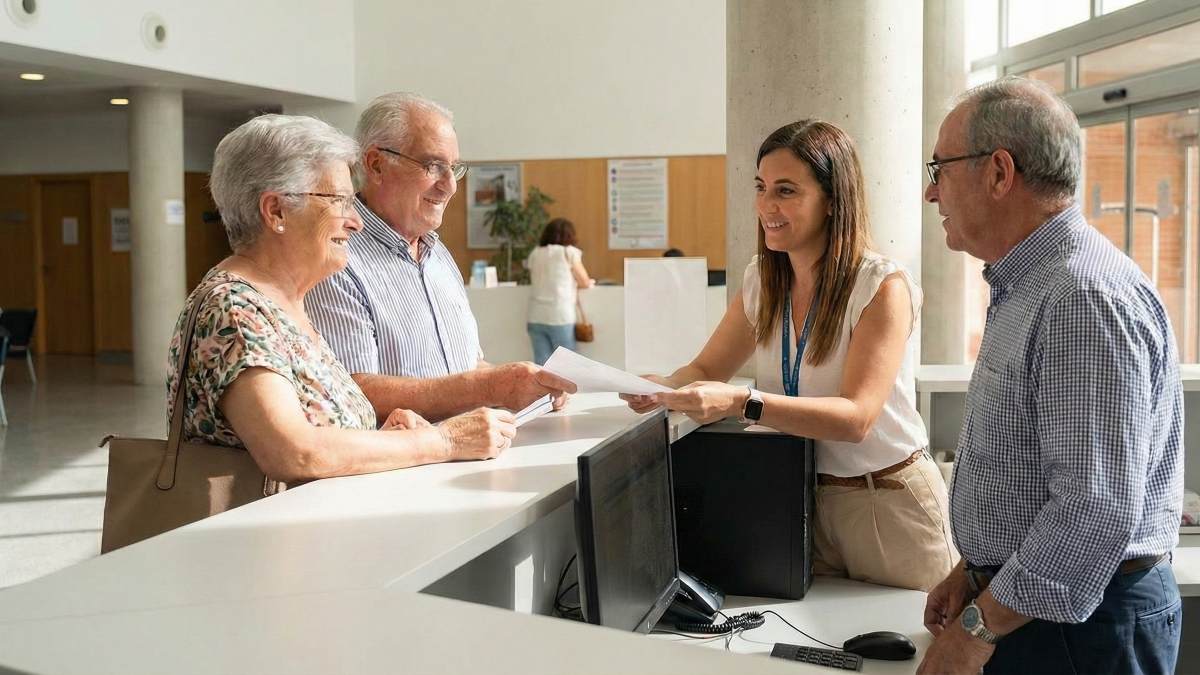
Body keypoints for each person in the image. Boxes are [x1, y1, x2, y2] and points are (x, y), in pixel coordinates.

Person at [918, 77, 1183, 675]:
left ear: (999, 172)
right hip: (1041, 613)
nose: (931, 192)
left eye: (940, 168)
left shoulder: (1078, 299)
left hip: (1078, 629)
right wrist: (974, 573)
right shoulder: (1031, 284)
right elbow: (1034, 470)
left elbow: (1093, 507)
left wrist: (978, 628)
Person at [624, 120, 954, 592]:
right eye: (760, 188)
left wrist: (742, 403)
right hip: (797, 496)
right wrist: (663, 389)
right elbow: (706, 369)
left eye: (785, 190)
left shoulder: (881, 285)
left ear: (833, 199)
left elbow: (856, 418)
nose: (765, 206)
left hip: (886, 502)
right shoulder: (763, 279)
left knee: (908, 655)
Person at [167, 114, 515, 484]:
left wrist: (385, 438)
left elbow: (319, 433)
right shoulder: (234, 309)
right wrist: (442, 439)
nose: (356, 222)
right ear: (276, 211)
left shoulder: (283, 303)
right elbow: (295, 451)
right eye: (339, 201)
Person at [306, 92, 575, 421]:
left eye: (454, 169)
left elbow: (466, 366)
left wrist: (523, 388)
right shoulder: (337, 258)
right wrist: (489, 387)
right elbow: (353, 394)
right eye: (433, 166)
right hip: (405, 468)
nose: (450, 186)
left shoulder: (437, 254)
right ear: (376, 164)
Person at [525, 218, 594, 365]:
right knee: (567, 366)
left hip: (535, 316)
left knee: (541, 366)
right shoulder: (568, 252)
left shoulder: (535, 253)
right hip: (559, 316)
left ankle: (544, 390)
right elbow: (584, 281)